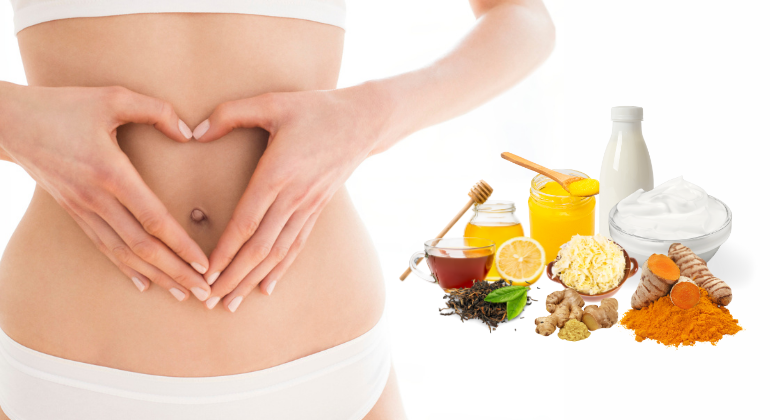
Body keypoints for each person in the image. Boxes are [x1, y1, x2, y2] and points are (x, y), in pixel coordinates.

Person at [0, 0, 554, 418]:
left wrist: (370, 115)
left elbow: (524, 21)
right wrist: (12, 120)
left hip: (326, 370)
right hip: (66, 376)